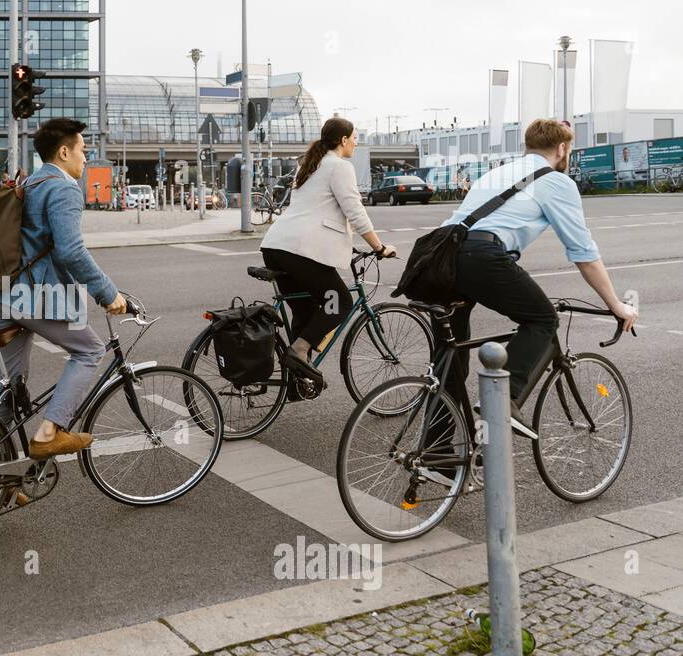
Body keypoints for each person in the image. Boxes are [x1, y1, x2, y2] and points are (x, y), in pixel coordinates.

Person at [438, 119, 638, 436]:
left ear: (527, 146)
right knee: (543, 319)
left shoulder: (497, 172)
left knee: (451, 361)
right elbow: (583, 253)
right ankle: (501, 401)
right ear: (562, 148)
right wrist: (615, 304)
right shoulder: (556, 182)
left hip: (441, 258)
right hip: (482, 255)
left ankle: (436, 458)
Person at [0, 118, 127, 459]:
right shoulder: (62, 188)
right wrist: (108, 293)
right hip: (36, 297)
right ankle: (49, 434)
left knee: (9, 387)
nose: (86, 159)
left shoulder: (29, 182)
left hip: (3, 293)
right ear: (64, 152)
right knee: (90, 350)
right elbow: (71, 251)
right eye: (83, 151)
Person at [258, 117, 395, 385]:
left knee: (306, 311)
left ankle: (298, 381)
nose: (356, 142)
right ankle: (298, 352)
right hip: (299, 251)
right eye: (354, 137)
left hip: (275, 246)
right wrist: (378, 247)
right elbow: (354, 211)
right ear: (343, 140)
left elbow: (314, 211)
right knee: (339, 302)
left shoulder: (309, 165)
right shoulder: (339, 166)